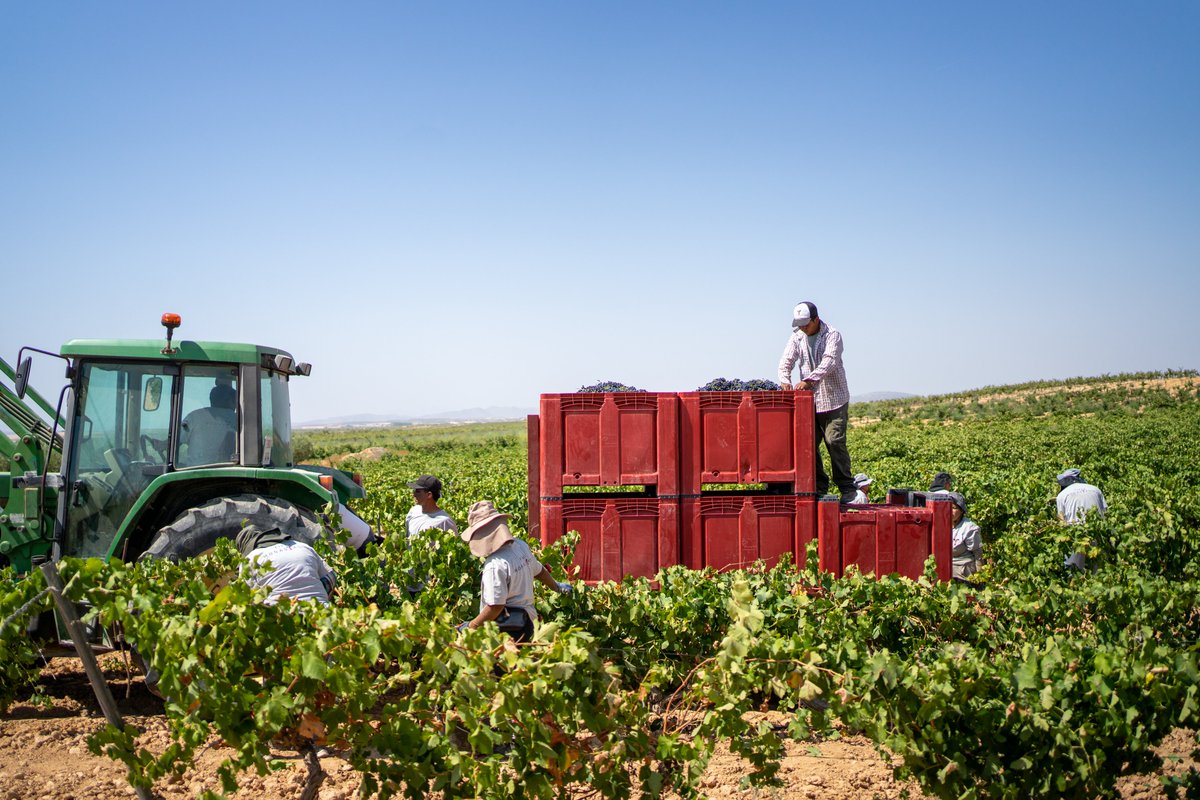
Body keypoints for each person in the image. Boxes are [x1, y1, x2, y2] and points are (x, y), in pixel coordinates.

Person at [459, 500, 570, 642]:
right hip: (529, 622)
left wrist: (472, 626)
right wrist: (556, 586)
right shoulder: (519, 545)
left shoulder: (494, 565)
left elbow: (495, 606)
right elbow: (539, 571)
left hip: (507, 630)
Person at [778, 301, 855, 503]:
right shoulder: (797, 336)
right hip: (809, 402)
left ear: (816, 320)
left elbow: (829, 362)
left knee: (834, 441)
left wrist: (808, 380)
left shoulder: (832, 335)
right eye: (800, 324)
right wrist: (785, 380)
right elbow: (785, 361)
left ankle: (847, 487)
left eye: (806, 324)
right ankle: (820, 487)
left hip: (833, 399)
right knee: (808, 445)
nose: (803, 328)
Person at [236, 524, 335, 605]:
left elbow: (248, 601)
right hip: (322, 615)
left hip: (284, 621)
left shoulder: (250, 559)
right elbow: (331, 578)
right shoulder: (302, 546)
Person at [1056, 468, 1107, 570]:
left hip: (1075, 533)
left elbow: (1061, 518)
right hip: (1097, 531)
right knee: (1097, 569)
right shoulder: (1096, 489)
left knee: (1073, 569)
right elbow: (1105, 512)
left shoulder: (1062, 495)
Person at [178, 383, 237, 466]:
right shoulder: (239, 420)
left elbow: (177, 440)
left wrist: (162, 445)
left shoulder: (193, 417)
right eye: (235, 402)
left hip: (194, 472)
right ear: (229, 400)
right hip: (229, 472)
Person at [405, 475, 458, 539]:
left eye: (418, 491)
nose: (414, 494)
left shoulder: (444, 521)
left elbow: (453, 545)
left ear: (429, 495)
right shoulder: (413, 511)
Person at [947, 492, 982, 580]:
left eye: (954, 508)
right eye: (948, 507)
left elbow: (978, 555)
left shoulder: (969, 528)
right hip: (945, 568)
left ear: (962, 511)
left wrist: (980, 577)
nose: (950, 511)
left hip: (963, 571)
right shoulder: (940, 524)